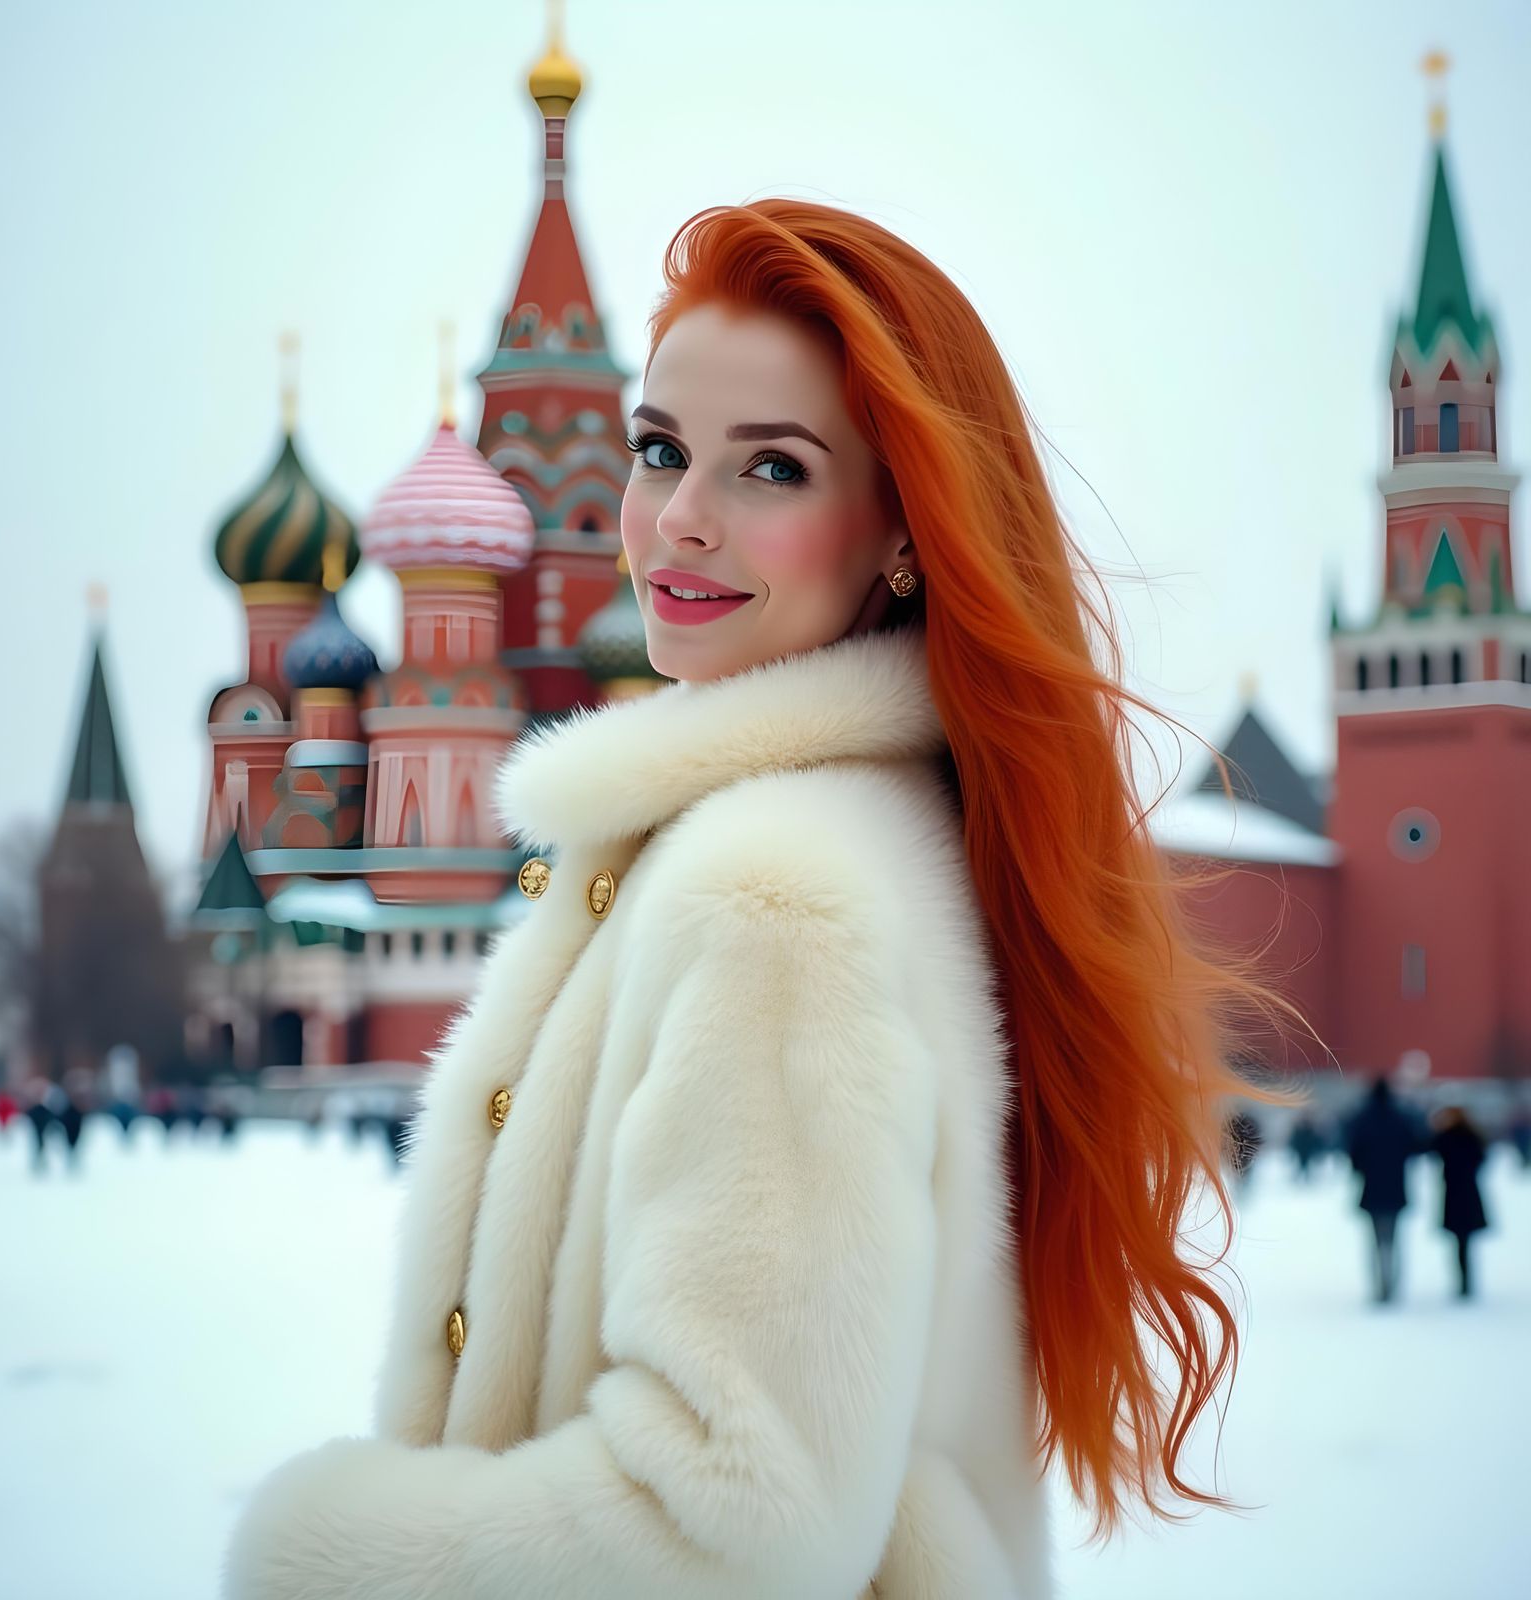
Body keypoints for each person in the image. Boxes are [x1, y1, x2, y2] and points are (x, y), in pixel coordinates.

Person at [222, 199, 1303, 1600]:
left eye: (773, 470)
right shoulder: (853, 838)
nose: (679, 520)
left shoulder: (773, 895)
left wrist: (326, 1559)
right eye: (659, 450)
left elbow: (732, 1518)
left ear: (901, 535)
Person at [1342, 1076, 1422, 1304]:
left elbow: (1354, 1152)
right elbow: (1414, 1146)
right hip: (1396, 1187)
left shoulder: (1363, 1119)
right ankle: (1391, 1283)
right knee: (1393, 1239)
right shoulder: (1401, 1117)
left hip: (1372, 1188)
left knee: (1375, 1240)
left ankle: (1379, 1285)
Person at [1430, 1104, 1489, 1298]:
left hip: (1456, 1194)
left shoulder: (1447, 1138)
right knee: (1464, 1242)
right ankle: (1465, 1281)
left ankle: (1464, 1281)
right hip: (1466, 1194)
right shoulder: (1472, 1137)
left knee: (1461, 1242)